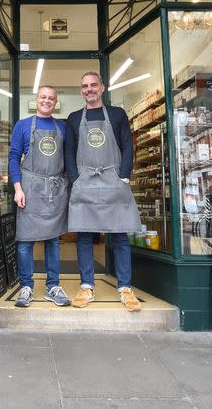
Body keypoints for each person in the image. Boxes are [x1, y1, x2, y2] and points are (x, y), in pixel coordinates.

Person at [64, 72, 143, 312]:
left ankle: (125, 288)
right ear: (81, 91)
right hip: (85, 181)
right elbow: (69, 152)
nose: (89, 89)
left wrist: (124, 175)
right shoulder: (74, 118)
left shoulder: (118, 114)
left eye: (93, 85)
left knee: (119, 235)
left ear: (102, 88)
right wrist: (75, 179)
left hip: (113, 180)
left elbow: (128, 145)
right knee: (85, 236)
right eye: (85, 86)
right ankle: (87, 286)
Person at [9, 85, 71, 308]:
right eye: (43, 97)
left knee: (53, 240)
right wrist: (18, 188)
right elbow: (14, 157)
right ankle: (26, 286)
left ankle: (52, 287)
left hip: (55, 189)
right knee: (25, 240)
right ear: (37, 100)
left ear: (55, 102)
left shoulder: (62, 127)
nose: (47, 101)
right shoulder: (23, 126)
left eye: (51, 98)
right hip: (30, 188)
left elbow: (69, 160)